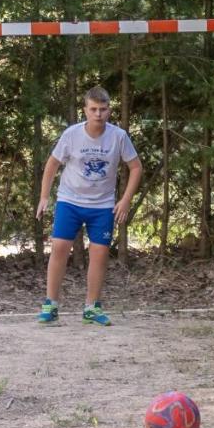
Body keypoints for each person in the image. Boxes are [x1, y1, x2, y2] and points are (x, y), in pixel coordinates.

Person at [36, 86, 142, 326]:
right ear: (85, 110)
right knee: (60, 246)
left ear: (109, 111)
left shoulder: (118, 136)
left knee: (100, 253)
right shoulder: (72, 135)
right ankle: (51, 304)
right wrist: (44, 196)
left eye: (103, 110)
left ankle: (92, 307)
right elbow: (52, 164)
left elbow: (136, 167)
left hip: (102, 204)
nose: (98, 114)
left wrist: (125, 200)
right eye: (93, 109)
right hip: (70, 200)